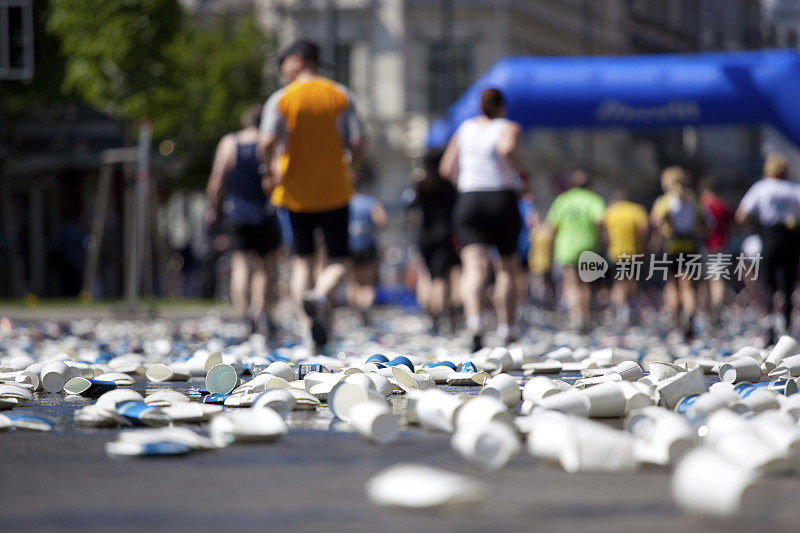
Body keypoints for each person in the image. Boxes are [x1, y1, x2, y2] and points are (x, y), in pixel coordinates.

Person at [259, 39, 366, 349]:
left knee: (302, 263)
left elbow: (266, 144)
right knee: (339, 261)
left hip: (294, 192)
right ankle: (320, 296)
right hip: (335, 189)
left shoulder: (281, 99)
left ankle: (308, 332)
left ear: (298, 61)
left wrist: (269, 172)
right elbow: (358, 141)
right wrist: (351, 163)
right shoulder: (340, 95)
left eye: (284, 65)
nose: (283, 73)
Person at [440, 88, 527, 351]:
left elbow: (446, 168)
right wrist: (522, 174)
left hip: (470, 199)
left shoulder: (464, 129)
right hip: (501, 197)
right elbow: (507, 147)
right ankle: (507, 328)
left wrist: (465, 183)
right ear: (502, 107)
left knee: (474, 268)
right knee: (506, 267)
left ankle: (475, 324)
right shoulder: (508, 126)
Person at [205, 104, 282, 335]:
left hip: (236, 211)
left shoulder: (230, 143)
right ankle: (262, 312)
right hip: (265, 212)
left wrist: (213, 207)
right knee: (265, 267)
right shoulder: (269, 142)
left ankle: (244, 314)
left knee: (241, 264)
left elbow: (217, 179)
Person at [736, 152, 800, 344]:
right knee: (788, 283)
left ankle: (770, 326)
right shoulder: (793, 188)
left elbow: (741, 215)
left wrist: (750, 230)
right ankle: (788, 326)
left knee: (768, 284)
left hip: (769, 237)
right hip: (790, 237)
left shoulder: (761, 188)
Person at [406, 149, 460, 334]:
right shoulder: (449, 186)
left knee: (427, 276)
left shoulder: (421, 185)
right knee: (441, 277)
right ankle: (441, 314)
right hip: (444, 236)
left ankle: (431, 317)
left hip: (425, 235)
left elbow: (409, 208)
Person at [545, 170, 606, 334]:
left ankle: (576, 317)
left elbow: (551, 226)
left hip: (567, 248)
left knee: (571, 284)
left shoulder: (563, 200)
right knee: (586, 285)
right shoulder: (594, 199)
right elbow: (600, 221)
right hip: (589, 246)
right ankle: (585, 317)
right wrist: (604, 241)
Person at [650, 166, 707, 339]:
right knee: (688, 287)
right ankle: (689, 315)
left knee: (672, 286)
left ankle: (675, 323)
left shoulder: (665, 200)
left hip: (672, 247)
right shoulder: (693, 200)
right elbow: (706, 223)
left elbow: (655, 220)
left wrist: (657, 238)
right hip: (691, 247)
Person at [602, 189, 649, 326]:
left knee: (619, 282)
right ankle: (631, 307)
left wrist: (606, 245)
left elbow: (604, 232)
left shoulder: (610, 212)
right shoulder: (636, 210)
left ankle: (622, 310)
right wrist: (645, 245)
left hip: (615, 253)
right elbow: (644, 230)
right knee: (632, 280)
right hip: (634, 251)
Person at [347, 182, 387, 325]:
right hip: (367, 246)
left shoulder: (345, 202)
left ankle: (357, 313)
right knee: (368, 282)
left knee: (354, 282)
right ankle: (365, 311)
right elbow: (381, 220)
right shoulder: (370, 202)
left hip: (350, 246)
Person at [699, 178, 733, 326]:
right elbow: (732, 226)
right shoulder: (723, 205)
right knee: (717, 279)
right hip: (721, 246)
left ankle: (706, 311)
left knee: (703, 281)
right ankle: (716, 308)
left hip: (703, 246)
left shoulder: (700, 204)